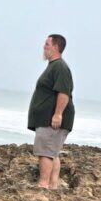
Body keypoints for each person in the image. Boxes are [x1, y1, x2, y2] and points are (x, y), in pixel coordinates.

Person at [27, 34, 75, 189]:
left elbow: (63, 92)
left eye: (47, 44)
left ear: (56, 47)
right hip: (47, 118)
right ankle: (53, 185)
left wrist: (58, 114)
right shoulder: (53, 66)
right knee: (52, 151)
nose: (44, 47)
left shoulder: (60, 67)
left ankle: (43, 184)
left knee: (46, 152)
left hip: (52, 119)